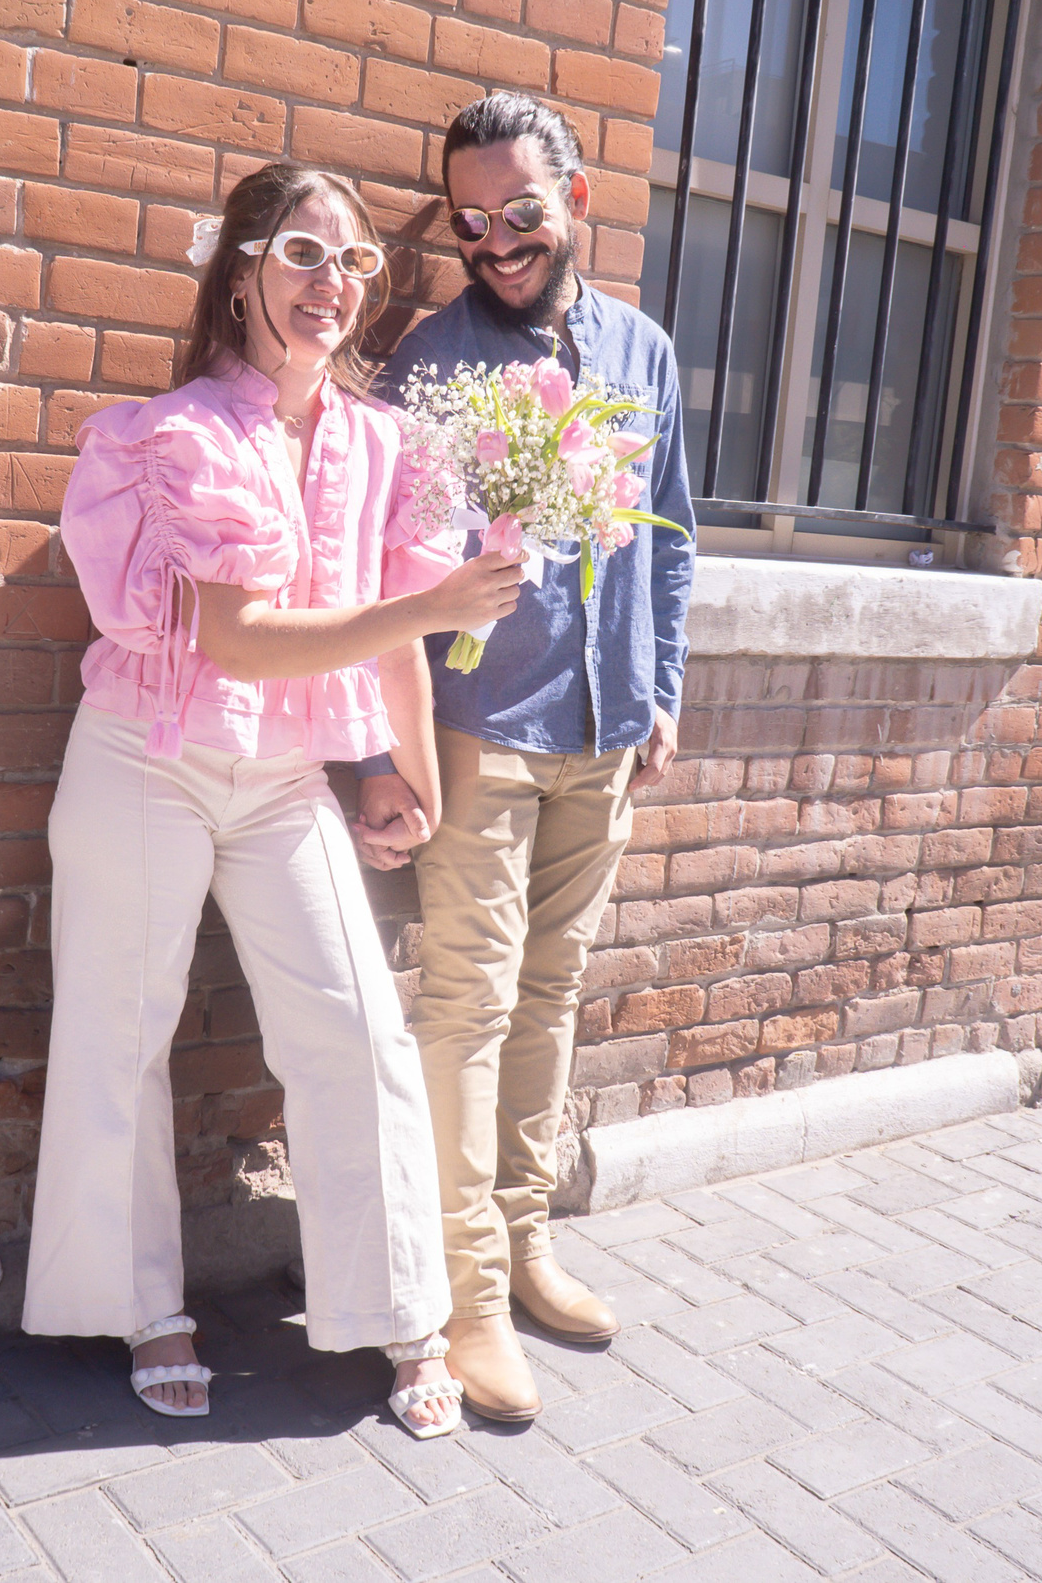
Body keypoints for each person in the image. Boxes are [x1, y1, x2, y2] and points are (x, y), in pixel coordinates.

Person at [24, 161, 529, 1440]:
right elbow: (243, 641)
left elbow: (401, 641)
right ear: (241, 270)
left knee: (355, 1030)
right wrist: (424, 610)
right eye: (302, 253)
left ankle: (401, 1309)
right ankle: (145, 1307)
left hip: (287, 772)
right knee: (119, 1031)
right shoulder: (184, 433)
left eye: (354, 262)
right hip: (146, 750)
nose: (332, 283)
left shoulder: (381, 443)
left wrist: (401, 776)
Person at [373, 93, 698, 1421]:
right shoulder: (430, 362)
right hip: (479, 728)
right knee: (468, 1003)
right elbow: (386, 557)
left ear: (574, 203)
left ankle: (526, 1240)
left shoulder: (643, 349)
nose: (497, 244)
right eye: (470, 222)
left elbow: (673, 533)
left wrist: (663, 686)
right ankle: (467, 1296)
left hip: (605, 731)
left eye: (520, 215)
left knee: (551, 996)